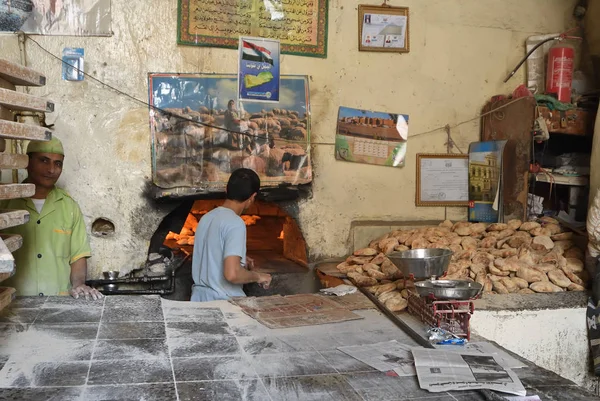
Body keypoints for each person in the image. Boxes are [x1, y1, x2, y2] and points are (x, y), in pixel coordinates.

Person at [0, 137, 102, 300]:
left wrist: (79, 284)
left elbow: (78, 256)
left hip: (58, 303)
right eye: (44, 160)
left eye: (58, 163)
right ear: (28, 161)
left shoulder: (69, 206)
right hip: (15, 303)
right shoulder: (6, 204)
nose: (51, 169)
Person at [191, 168, 272, 302]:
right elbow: (232, 274)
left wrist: (237, 257)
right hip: (224, 303)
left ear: (226, 190)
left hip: (200, 300)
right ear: (252, 198)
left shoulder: (207, 217)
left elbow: (212, 251)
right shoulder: (235, 223)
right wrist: (259, 276)